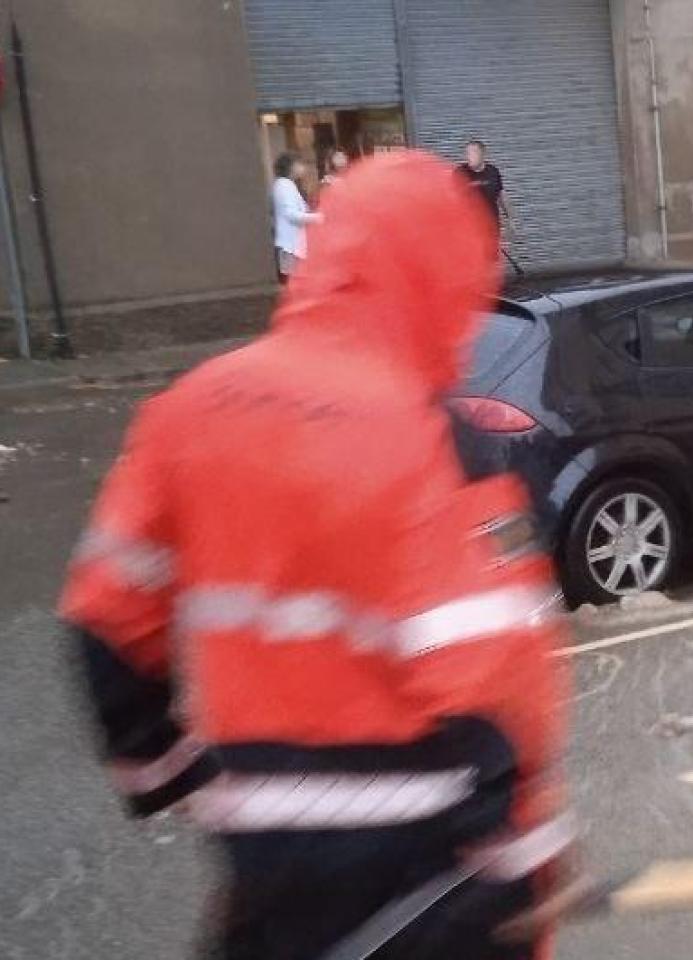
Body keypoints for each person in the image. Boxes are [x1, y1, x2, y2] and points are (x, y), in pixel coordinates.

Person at [61, 151, 575, 960]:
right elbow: (494, 680)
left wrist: (163, 770)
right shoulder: (436, 441)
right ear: (445, 277)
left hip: (263, 855)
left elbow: (104, 618)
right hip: (422, 870)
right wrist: (524, 857)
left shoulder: (189, 411)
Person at [270, 152, 320, 281]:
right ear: (290, 166)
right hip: (289, 246)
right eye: (299, 164)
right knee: (294, 281)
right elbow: (291, 214)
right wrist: (318, 217)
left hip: (292, 245)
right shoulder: (284, 185)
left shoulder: (287, 185)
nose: (302, 168)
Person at [457, 139, 514, 238]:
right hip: (469, 227)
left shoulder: (493, 171)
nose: (469, 157)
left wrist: (510, 219)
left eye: (473, 153)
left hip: (491, 225)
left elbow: (501, 196)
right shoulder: (460, 173)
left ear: (483, 154)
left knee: (492, 252)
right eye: (467, 153)